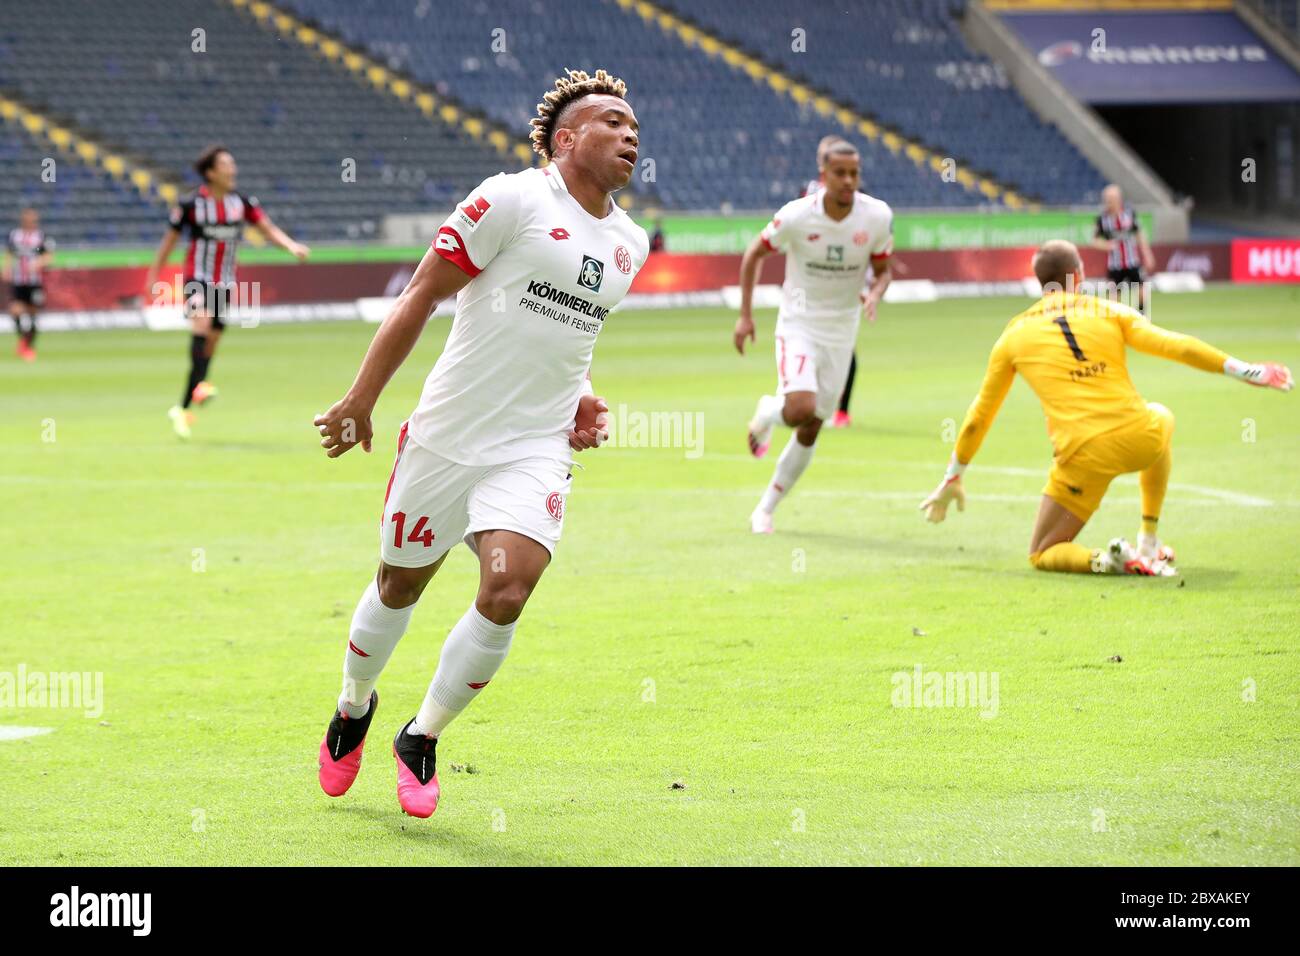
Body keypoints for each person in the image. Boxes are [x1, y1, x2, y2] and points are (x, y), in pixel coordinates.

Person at [312, 69, 648, 819]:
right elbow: (422, 294)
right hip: (446, 437)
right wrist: (361, 400)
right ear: (567, 139)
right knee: (400, 585)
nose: (631, 135)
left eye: (636, 128)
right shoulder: (510, 198)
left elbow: (571, 332)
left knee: (508, 589)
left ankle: (421, 735)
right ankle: (353, 706)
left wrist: (584, 392)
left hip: (532, 445)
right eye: (613, 122)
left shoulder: (631, 242)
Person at [919, 239, 1292, 575]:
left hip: (1083, 458)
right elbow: (1175, 345)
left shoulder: (1012, 336)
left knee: (1043, 551)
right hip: (1139, 437)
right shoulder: (1108, 310)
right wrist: (1248, 370)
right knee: (1161, 416)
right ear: (1079, 276)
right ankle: (1148, 537)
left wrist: (954, 475)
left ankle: (1106, 560)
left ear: (1039, 283)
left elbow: (978, 418)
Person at [734, 139, 893, 533]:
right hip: (799, 324)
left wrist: (874, 293)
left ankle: (766, 508)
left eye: (854, 173)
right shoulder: (797, 216)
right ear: (823, 176)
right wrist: (745, 316)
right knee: (800, 408)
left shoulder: (876, 217)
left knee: (812, 425)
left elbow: (884, 268)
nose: (849, 181)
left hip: (842, 331)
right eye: (840, 173)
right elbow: (754, 253)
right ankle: (768, 411)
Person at [144, 145, 310, 439]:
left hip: (225, 283)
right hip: (198, 278)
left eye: (232, 164)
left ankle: (184, 406)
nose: (232, 169)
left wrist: (291, 246)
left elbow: (267, 228)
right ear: (211, 172)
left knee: (211, 342)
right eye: (226, 164)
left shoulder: (241, 204)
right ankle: (197, 391)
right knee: (202, 321)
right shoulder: (190, 205)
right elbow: (169, 241)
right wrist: (154, 275)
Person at [1092, 183, 1154, 314]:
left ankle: (1142, 315)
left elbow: (1139, 234)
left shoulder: (1129, 214)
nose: (1108, 202)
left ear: (1118, 199)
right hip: (1114, 264)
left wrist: (1147, 255)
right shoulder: (1102, 219)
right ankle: (1116, 321)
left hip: (1132, 261)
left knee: (1142, 289)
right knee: (1114, 296)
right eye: (1107, 199)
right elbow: (1095, 240)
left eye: (1111, 199)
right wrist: (1107, 245)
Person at [5, 208, 53, 362]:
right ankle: (24, 344)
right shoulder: (15, 236)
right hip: (19, 281)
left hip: (34, 283)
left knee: (33, 314)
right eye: (27, 219)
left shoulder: (40, 238)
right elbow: (10, 252)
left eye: (32, 219)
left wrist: (38, 263)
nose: (30, 222)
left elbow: (47, 256)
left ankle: (27, 347)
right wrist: (6, 268)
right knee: (15, 311)